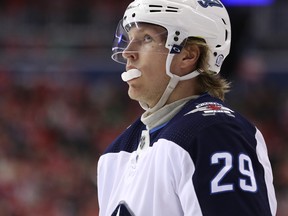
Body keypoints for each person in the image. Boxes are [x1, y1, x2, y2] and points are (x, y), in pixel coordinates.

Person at [97, 0, 277, 215]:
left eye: (146, 39)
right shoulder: (116, 152)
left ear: (188, 55)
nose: (128, 52)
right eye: (128, 39)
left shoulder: (214, 132)